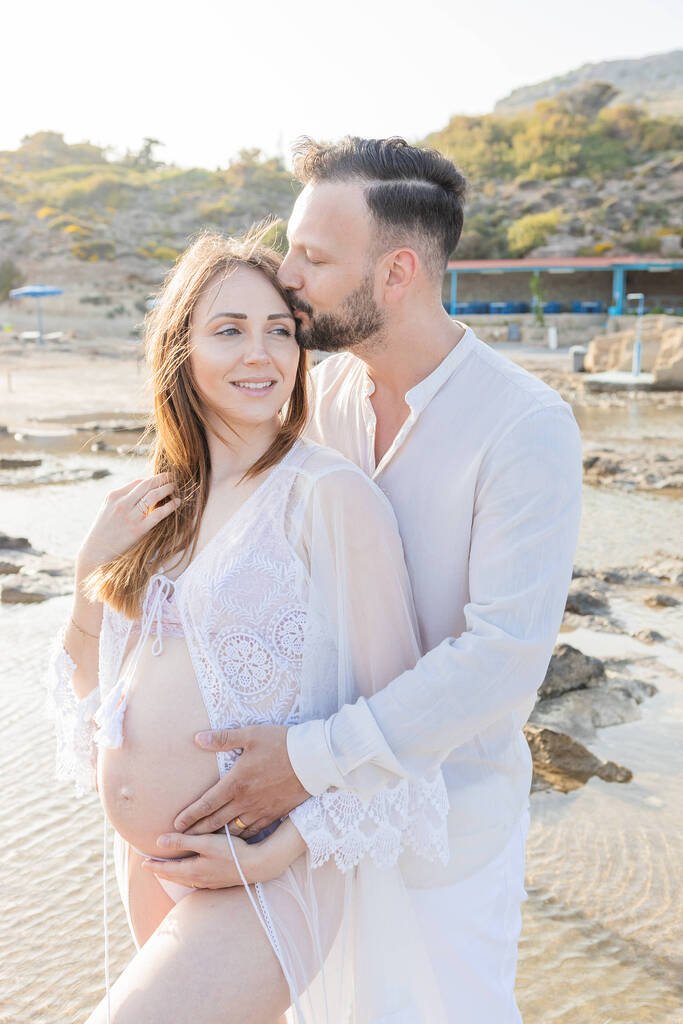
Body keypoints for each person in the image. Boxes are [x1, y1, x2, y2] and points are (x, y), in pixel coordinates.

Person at [175, 137, 584, 1022]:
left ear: (396, 272)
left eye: (315, 258)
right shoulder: (311, 399)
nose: (287, 276)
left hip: (444, 835)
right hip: (303, 829)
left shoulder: (525, 427)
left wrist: (304, 766)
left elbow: (500, 662)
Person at [46, 228, 450, 1023]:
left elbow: (400, 718)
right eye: (229, 330)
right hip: (155, 861)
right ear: (180, 350)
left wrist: (284, 847)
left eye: (280, 331)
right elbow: (92, 693)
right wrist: (89, 574)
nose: (260, 354)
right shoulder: (158, 504)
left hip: (262, 867)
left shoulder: (327, 496)